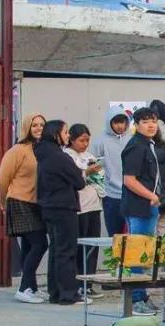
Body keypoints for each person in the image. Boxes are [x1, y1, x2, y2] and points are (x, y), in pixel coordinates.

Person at [35, 120, 87, 306]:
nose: (67, 136)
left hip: (48, 206)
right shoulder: (59, 156)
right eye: (65, 132)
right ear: (56, 134)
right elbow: (79, 181)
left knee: (56, 249)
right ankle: (68, 293)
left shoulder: (43, 153)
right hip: (63, 207)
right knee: (67, 250)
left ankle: (55, 292)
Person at [0, 113, 48, 304]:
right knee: (40, 243)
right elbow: (2, 179)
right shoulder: (18, 150)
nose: (38, 128)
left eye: (42, 125)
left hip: (36, 203)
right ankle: (23, 287)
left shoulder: (43, 149)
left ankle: (32, 287)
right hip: (19, 200)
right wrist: (3, 202)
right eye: (34, 125)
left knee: (29, 246)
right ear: (27, 127)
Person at [121, 107, 162, 316]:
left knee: (145, 253)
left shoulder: (148, 145)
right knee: (137, 253)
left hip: (149, 207)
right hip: (139, 207)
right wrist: (151, 196)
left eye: (154, 120)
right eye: (145, 121)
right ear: (136, 125)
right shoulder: (136, 146)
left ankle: (142, 294)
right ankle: (135, 299)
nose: (151, 125)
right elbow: (129, 179)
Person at [65, 124, 106, 299]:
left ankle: (88, 283)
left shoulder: (89, 156)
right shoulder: (67, 155)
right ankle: (76, 282)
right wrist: (86, 172)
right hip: (79, 206)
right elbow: (73, 178)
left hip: (94, 204)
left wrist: (96, 172)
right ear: (71, 140)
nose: (85, 144)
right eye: (81, 140)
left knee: (92, 245)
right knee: (79, 245)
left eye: (87, 140)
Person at [91, 106, 132, 238]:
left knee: (132, 236)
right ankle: (116, 259)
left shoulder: (132, 140)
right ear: (110, 123)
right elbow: (95, 168)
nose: (120, 126)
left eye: (122, 122)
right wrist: (102, 190)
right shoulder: (100, 142)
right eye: (116, 122)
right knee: (115, 236)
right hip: (111, 196)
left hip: (132, 193)